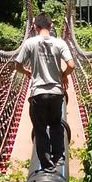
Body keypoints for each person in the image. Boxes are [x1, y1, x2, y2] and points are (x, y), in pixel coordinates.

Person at [13, 11, 75, 171]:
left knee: (40, 129)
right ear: (51, 25)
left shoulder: (29, 43)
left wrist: (27, 72)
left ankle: (47, 166)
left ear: (34, 26)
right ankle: (59, 159)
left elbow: (17, 65)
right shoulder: (60, 43)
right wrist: (63, 76)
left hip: (38, 93)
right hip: (56, 93)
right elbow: (71, 65)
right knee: (56, 125)